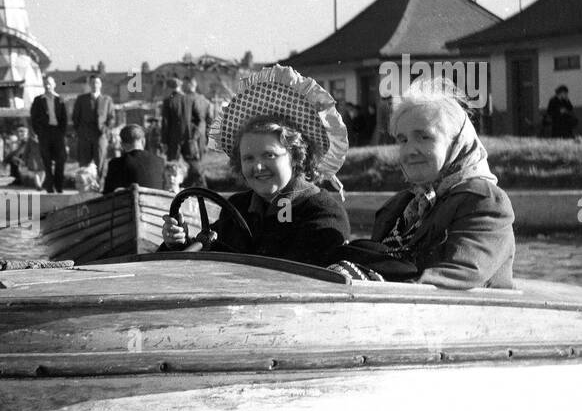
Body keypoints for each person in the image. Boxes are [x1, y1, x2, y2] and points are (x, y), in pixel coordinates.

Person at [161, 64, 351, 266]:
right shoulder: (237, 208)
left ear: (296, 156)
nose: (258, 167)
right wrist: (180, 242)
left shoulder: (323, 213)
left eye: (269, 155)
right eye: (248, 158)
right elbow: (210, 258)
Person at [333, 84, 515, 288]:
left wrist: (372, 282)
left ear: (457, 143)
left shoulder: (483, 201)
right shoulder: (399, 207)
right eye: (402, 140)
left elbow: (459, 274)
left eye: (424, 137)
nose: (410, 150)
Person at [29, 74, 69, 193]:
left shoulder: (60, 99)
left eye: (49, 84)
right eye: (45, 84)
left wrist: (62, 132)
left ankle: (59, 186)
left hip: (57, 132)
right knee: (46, 161)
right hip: (44, 133)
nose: (47, 86)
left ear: (54, 85)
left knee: (60, 160)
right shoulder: (38, 100)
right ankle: (49, 187)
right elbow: (33, 118)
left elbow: (64, 118)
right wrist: (39, 132)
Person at [103, 124, 167, 193]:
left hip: (127, 203)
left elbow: (107, 193)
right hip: (154, 203)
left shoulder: (115, 164)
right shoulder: (159, 161)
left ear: (122, 145)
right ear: (143, 141)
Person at [73, 73, 116, 173]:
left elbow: (111, 118)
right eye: (92, 83)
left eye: (96, 82)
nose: (94, 85)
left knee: (101, 163)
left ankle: (100, 187)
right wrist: (80, 132)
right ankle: (85, 186)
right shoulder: (81, 99)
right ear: (89, 84)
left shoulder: (107, 100)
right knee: (84, 164)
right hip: (85, 136)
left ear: (100, 84)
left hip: (100, 135)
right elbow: (75, 118)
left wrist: (105, 130)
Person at [159, 77, 197, 165]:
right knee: (190, 162)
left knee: (173, 163)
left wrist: (164, 141)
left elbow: (165, 122)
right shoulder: (189, 99)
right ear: (179, 86)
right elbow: (194, 119)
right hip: (188, 136)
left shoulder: (168, 101)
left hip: (173, 138)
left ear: (169, 88)